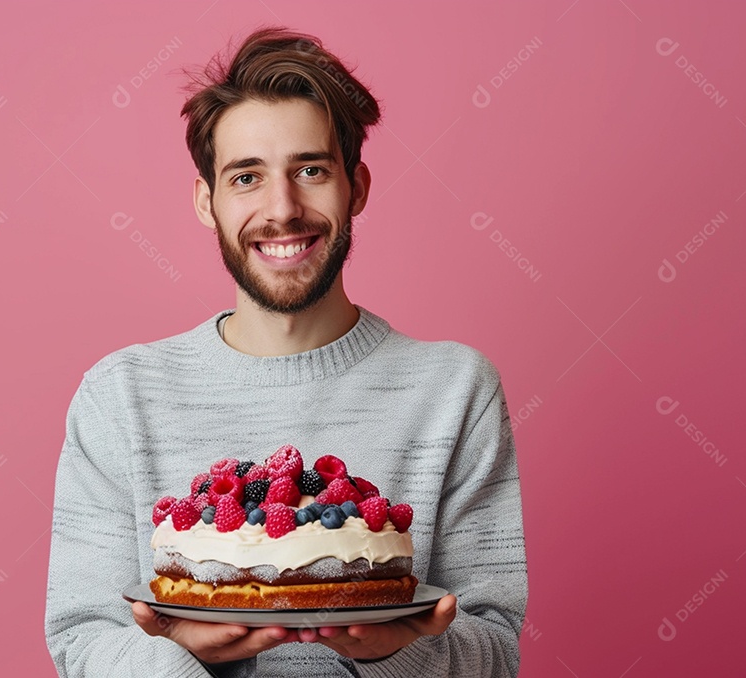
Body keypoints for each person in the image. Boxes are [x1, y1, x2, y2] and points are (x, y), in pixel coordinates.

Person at [45, 26, 528, 677]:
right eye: (246, 177)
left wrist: (397, 652)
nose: (282, 208)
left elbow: (495, 653)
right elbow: (81, 640)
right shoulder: (120, 396)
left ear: (355, 187)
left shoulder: (455, 389)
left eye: (310, 170)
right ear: (206, 202)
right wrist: (184, 656)